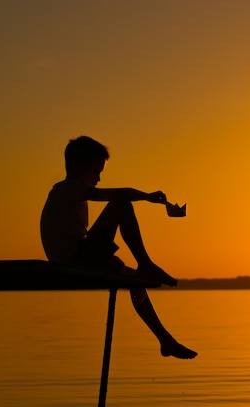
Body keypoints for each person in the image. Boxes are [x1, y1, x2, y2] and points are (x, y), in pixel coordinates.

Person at [40, 135, 197, 359]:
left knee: (136, 282)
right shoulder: (67, 189)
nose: (99, 178)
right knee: (121, 204)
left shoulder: (72, 194)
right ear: (77, 166)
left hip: (80, 256)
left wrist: (103, 258)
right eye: (96, 171)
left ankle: (164, 339)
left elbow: (75, 236)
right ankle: (146, 263)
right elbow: (119, 195)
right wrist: (147, 196)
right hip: (75, 259)